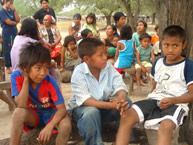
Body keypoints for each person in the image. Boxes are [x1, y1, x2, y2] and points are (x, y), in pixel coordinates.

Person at [115, 25, 193, 145]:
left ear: (184, 44)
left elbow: (192, 94)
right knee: (127, 116)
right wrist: (151, 97)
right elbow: (155, 87)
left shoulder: (188, 65)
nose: (170, 50)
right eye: (166, 45)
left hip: (176, 104)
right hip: (154, 100)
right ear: (161, 44)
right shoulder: (158, 62)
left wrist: (173, 100)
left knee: (166, 127)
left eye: (175, 45)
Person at [68, 38, 132, 145]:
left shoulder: (108, 67)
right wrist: (110, 105)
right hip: (83, 110)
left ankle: (121, 142)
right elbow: (86, 100)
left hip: (104, 109)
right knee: (91, 112)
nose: (105, 57)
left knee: (127, 103)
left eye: (105, 54)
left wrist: (121, 98)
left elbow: (119, 85)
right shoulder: (79, 72)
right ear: (87, 59)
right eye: (100, 55)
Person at [10, 43, 71, 145]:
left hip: (51, 113)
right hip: (33, 115)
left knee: (65, 125)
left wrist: (49, 126)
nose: (43, 73)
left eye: (46, 68)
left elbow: (61, 109)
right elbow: (20, 104)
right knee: (18, 113)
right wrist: (26, 79)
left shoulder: (49, 81)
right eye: (38, 68)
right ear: (25, 68)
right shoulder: (16, 76)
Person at [0, 0, 20, 74]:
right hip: (7, 33)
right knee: (7, 50)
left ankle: (15, 65)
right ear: (5, 2)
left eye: (12, 3)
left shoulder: (12, 10)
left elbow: (18, 19)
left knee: (15, 48)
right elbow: (9, 22)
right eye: (10, 2)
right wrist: (16, 23)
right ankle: (7, 67)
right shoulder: (2, 11)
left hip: (14, 32)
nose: (11, 4)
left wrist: (14, 11)